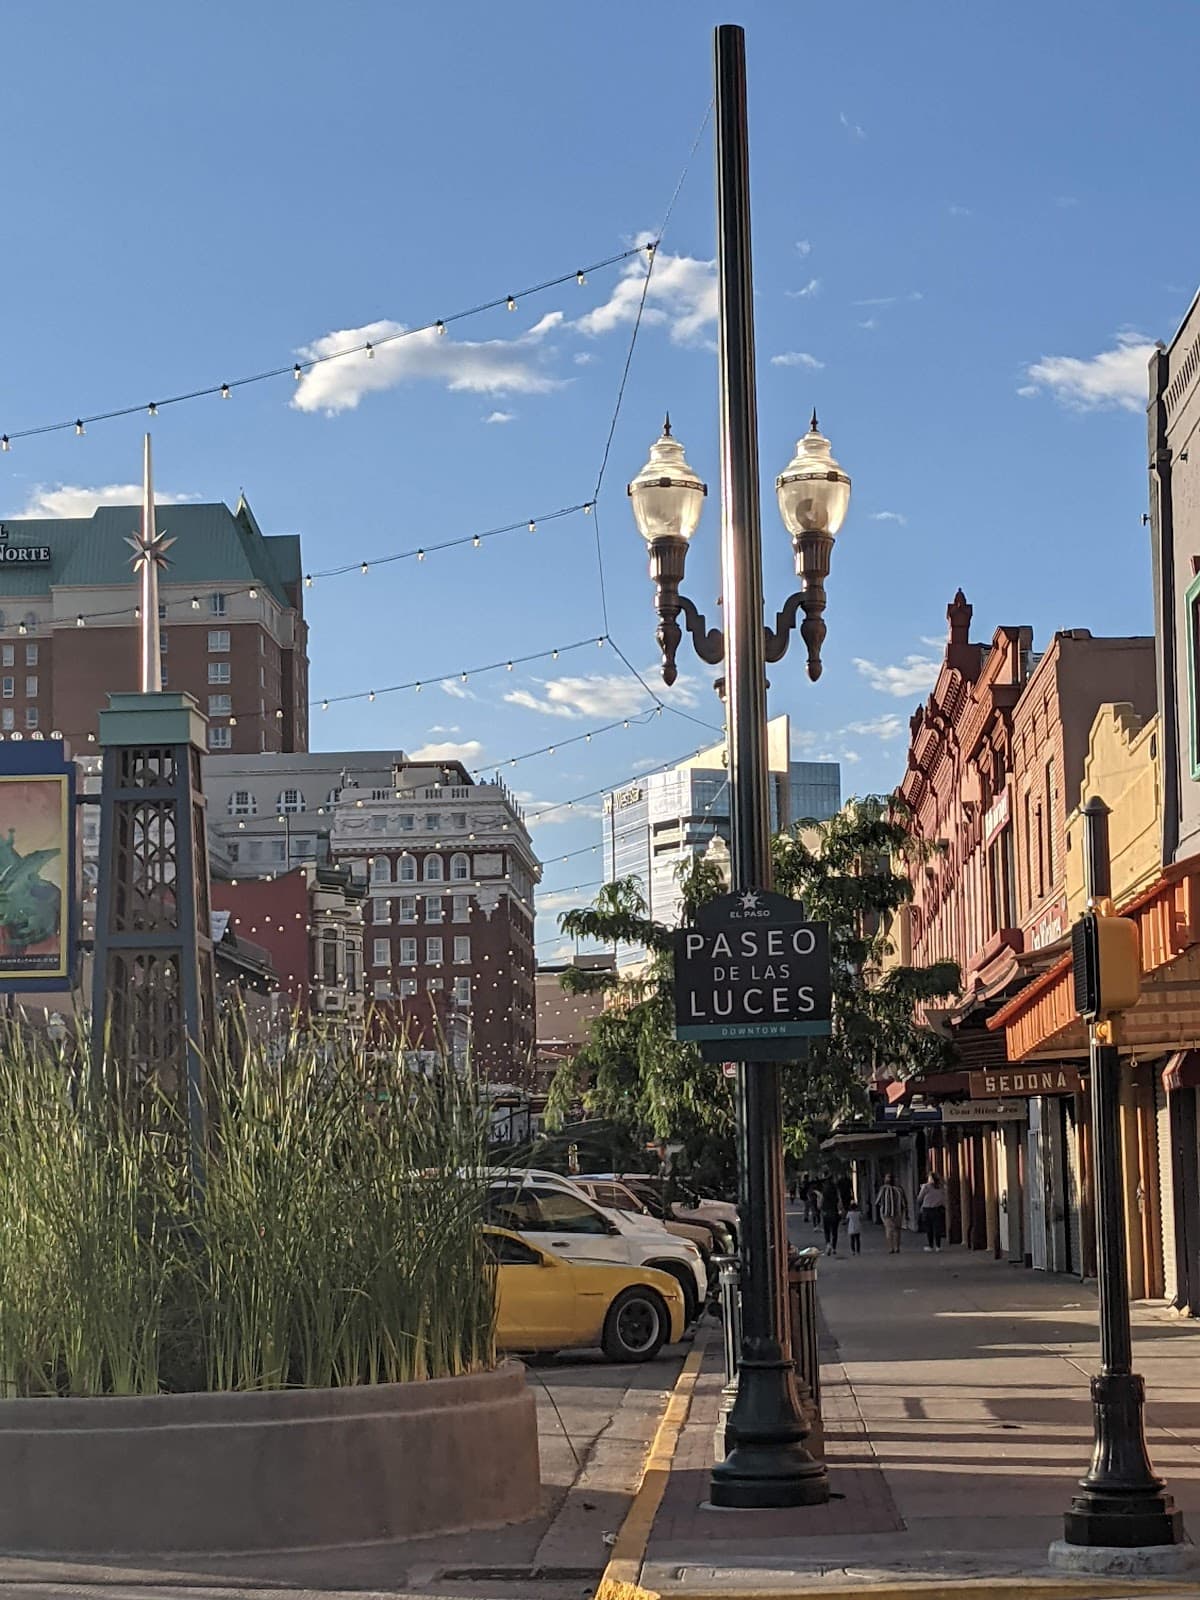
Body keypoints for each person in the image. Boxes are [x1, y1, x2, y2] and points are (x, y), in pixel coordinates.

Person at [876, 1172, 908, 1254]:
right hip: (898, 1212)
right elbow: (904, 1202)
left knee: (889, 1230)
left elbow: (877, 1201)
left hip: (886, 1212)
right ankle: (897, 1247)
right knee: (897, 1230)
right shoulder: (899, 1189)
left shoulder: (883, 1189)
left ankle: (891, 1248)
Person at [917, 1171, 948, 1252]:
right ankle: (938, 1246)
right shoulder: (941, 1187)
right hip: (938, 1209)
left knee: (929, 1228)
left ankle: (930, 1246)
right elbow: (944, 1198)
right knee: (937, 1228)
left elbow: (920, 1198)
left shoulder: (926, 1187)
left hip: (927, 1209)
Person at [819, 1177, 842, 1256]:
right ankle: (834, 1248)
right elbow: (840, 1202)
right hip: (834, 1213)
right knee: (835, 1232)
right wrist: (840, 1211)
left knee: (827, 1231)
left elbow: (820, 1203)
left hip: (826, 1213)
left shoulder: (824, 1192)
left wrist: (821, 1209)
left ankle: (828, 1244)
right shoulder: (836, 1191)